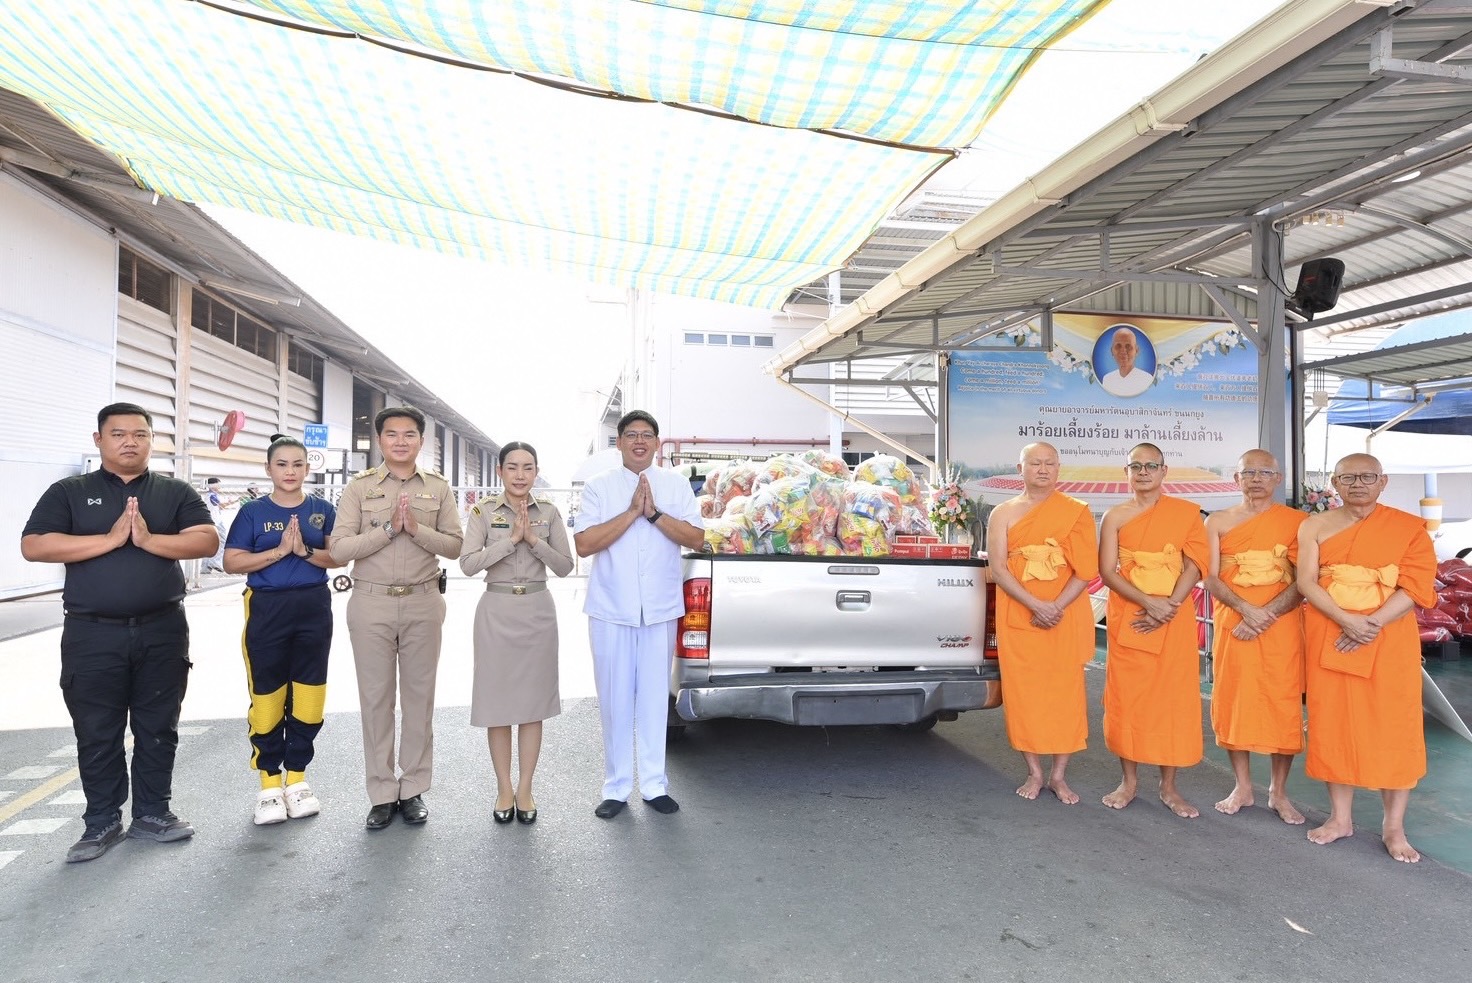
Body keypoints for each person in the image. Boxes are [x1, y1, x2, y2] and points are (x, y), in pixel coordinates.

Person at [20, 402, 218, 863]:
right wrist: (110, 541)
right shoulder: (70, 491)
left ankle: (153, 813)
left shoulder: (173, 492)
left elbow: (206, 540)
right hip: (92, 634)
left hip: (162, 630)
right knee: (97, 730)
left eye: (140, 434)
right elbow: (35, 545)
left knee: (157, 727)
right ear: (99, 440)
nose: (130, 441)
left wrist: (148, 541)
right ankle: (101, 821)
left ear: (151, 440)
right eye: (119, 434)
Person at [1297, 453, 1437, 863]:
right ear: (1334, 484)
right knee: (1335, 723)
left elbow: (1414, 587)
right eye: (1348, 478)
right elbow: (1306, 580)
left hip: (1388, 638)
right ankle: (1341, 818)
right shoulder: (1315, 525)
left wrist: (1369, 624)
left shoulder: (1410, 529)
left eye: (1367, 477)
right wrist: (1346, 621)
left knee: (1395, 727)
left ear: (1383, 481)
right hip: (1331, 632)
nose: (1358, 484)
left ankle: (1394, 827)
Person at [329, 406, 463, 830]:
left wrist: (415, 530)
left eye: (409, 434)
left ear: (421, 441)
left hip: (424, 600)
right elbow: (339, 549)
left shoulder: (438, 488)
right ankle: (382, 792)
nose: (401, 441)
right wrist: (388, 530)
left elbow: (456, 546)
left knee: (420, 699)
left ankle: (414, 789)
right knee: (376, 700)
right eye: (392, 434)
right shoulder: (359, 487)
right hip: (371, 602)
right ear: (380, 440)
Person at [574, 410, 705, 818]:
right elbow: (584, 544)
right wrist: (631, 513)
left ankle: (653, 784)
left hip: (661, 608)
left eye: (647, 435)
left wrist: (654, 515)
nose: (639, 441)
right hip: (611, 608)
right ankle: (615, 787)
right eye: (631, 434)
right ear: (619, 443)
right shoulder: (599, 487)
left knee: (653, 698)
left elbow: (697, 539)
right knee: (614, 699)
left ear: (657, 443)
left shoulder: (676, 484)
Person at [223, 434, 343, 825]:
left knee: (309, 695)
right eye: (282, 464)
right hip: (267, 608)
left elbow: (337, 557)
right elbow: (232, 561)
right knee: (268, 695)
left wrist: (305, 551)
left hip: (313, 607)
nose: (290, 471)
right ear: (268, 469)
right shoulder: (252, 512)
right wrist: (278, 552)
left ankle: (298, 778)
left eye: (298, 464)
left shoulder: (322, 509)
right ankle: (270, 783)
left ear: (308, 468)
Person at [459, 442, 575, 824]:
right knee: (497, 706)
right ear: (500, 472)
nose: (520, 475)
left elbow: (564, 566)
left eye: (528, 468)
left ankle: (525, 788)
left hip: (538, 612)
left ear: (536, 472)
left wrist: (533, 541)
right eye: (512, 468)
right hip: (497, 610)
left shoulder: (551, 513)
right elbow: (469, 564)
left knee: (531, 706)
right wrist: (510, 542)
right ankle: (503, 788)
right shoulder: (482, 512)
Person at [1097, 442, 1209, 818]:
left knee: (1172, 701)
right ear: (1125, 472)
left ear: (1164, 471)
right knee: (1129, 699)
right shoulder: (1114, 516)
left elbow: (1195, 562)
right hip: (1132, 615)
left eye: (1151, 466)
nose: (1143, 472)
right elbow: (1108, 571)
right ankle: (1128, 782)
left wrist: (1170, 604)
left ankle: (1169, 786)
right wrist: (1149, 603)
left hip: (1174, 616)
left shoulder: (1186, 513)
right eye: (1136, 466)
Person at [986, 442, 1098, 804]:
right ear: (1021, 468)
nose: (1043, 469)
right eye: (1035, 463)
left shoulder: (1076, 511)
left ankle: (1059, 776)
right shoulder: (1002, 513)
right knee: (1026, 695)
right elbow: (1000, 570)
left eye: (1050, 463)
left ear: (1058, 469)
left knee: (1065, 695)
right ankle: (1034, 772)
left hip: (1063, 615)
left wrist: (1055, 607)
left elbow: (1086, 570)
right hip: (1020, 614)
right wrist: (1036, 604)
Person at [1203, 450, 1307, 823]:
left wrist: (1265, 615)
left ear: (1278, 479)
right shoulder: (1217, 521)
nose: (1257, 478)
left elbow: (1304, 580)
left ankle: (1278, 792)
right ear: (1236, 478)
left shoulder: (1298, 522)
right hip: (1234, 623)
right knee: (1236, 700)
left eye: (1266, 472)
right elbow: (1210, 577)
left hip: (1281, 626)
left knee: (1281, 703)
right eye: (1249, 472)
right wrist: (1247, 610)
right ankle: (1242, 786)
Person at [1098, 327, 1154, 398]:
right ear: (1112, 351)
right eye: (1118, 346)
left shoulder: (1146, 379)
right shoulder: (1107, 379)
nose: (1123, 351)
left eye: (1128, 346)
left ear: (1136, 351)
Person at [201, 477, 233, 573]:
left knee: (209, 544)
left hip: (209, 521)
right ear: (212, 485)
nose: (220, 486)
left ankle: (205, 568)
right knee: (222, 542)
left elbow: (217, 508)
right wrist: (232, 502)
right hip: (216, 523)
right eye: (218, 484)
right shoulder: (212, 495)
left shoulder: (208, 495)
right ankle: (215, 562)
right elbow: (221, 505)